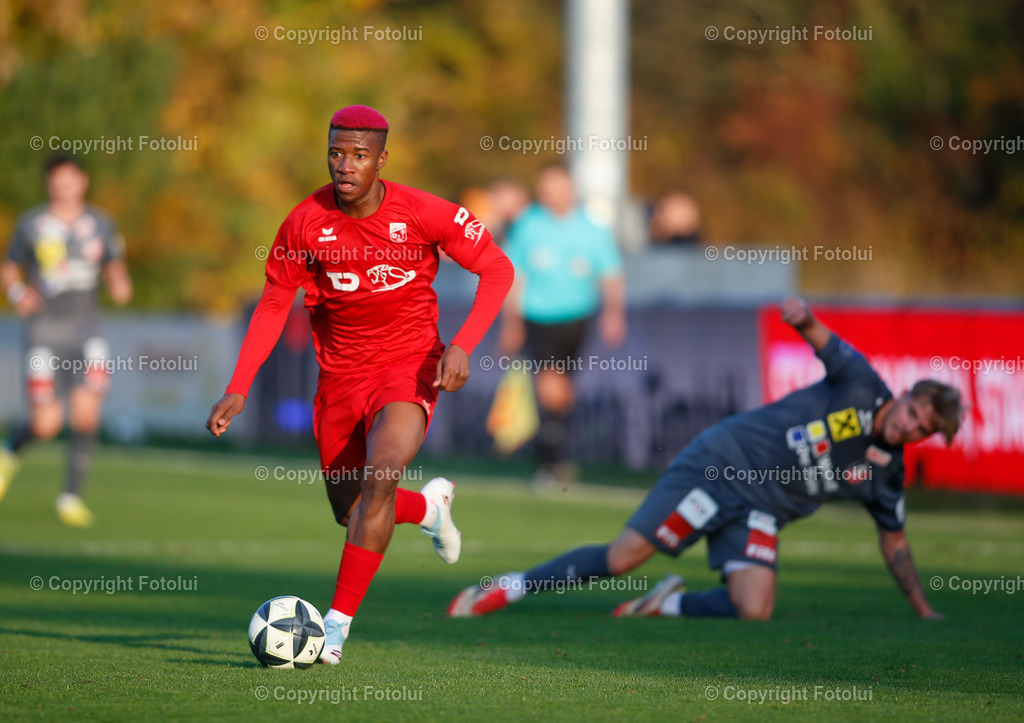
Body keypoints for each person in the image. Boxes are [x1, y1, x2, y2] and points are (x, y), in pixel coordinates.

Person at [206, 105, 513, 664]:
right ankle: (429, 510)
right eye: (336, 153)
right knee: (351, 510)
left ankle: (336, 625)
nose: (345, 166)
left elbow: (496, 268)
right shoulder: (304, 222)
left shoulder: (424, 212)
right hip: (340, 378)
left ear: (382, 160)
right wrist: (239, 384)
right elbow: (276, 302)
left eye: (359, 155)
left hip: (409, 366)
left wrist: (464, 343)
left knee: (381, 474)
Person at [450, 297, 962, 621]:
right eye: (915, 410)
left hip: (762, 511)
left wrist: (922, 608)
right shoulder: (861, 384)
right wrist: (805, 319)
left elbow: (893, 539)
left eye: (924, 428)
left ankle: (667, 603)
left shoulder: (886, 473)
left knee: (754, 610)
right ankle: (510, 588)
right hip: (720, 468)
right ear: (907, 394)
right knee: (621, 559)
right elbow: (826, 343)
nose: (911, 424)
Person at [0, 154, 132, 526]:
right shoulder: (32, 224)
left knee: (86, 414)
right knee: (46, 424)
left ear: (82, 182)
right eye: (56, 181)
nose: (63, 187)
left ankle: (70, 497)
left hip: (87, 332)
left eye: (69, 180)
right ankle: (11, 448)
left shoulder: (101, 224)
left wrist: (119, 284)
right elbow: (9, 269)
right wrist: (16, 293)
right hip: (44, 333)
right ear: (49, 184)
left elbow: (115, 269)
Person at [497, 164, 626, 484]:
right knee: (548, 381)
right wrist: (511, 322)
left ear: (570, 188)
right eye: (545, 186)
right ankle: (551, 457)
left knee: (562, 385)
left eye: (555, 186)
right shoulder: (528, 225)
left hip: (578, 315)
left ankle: (555, 444)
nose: (549, 193)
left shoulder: (591, 228)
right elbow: (514, 276)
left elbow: (610, 273)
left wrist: (613, 314)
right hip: (538, 315)